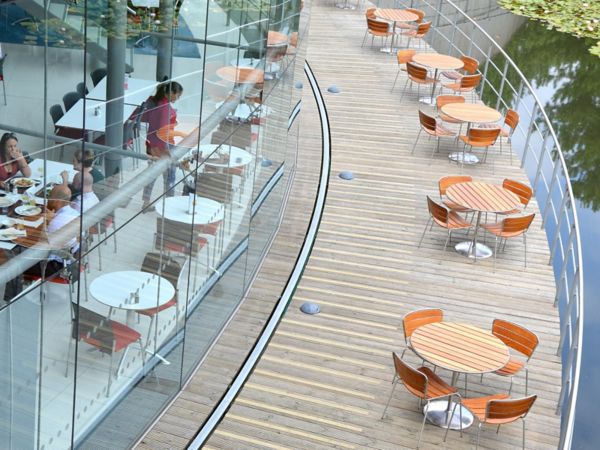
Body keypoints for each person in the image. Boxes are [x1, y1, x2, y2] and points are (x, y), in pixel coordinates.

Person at [141, 79, 186, 211]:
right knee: (170, 176)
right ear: (171, 92)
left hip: (151, 143)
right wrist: (167, 151)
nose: (177, 98)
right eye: (177, 95)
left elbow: (146, 118)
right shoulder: (165, 108)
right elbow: (163, 131)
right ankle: (169, 204)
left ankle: (146, 202)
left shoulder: (154, 101)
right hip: (162, 146)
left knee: (152, 174)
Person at [25, 184, 80, 278]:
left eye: (50, 196)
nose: (48, 199)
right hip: (71, 258)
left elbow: (41, 244)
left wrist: (46, 221)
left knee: (13, 259)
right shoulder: (75, 213)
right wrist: (53, 218)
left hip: (53, 266)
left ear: (56, 201)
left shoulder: (56, 222)